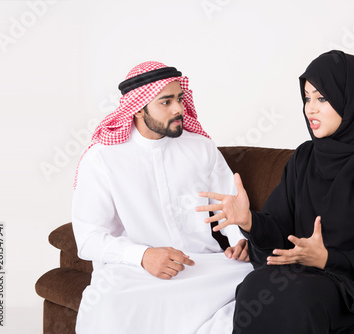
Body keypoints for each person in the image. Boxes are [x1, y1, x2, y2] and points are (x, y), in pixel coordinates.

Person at [197, 50, 354, 333]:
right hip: (306, 274)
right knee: (254, 285)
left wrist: (327, 259)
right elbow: (279, 230)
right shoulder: (305, 157)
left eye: (322, 98)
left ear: (353, 99)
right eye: (307, 98)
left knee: (301, 298)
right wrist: (249, 221)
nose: (310, 109)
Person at [72, 61, 252, 334]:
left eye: (179, 99)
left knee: (262, 281)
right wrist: (143, 256)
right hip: (135, 273)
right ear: (138, 108)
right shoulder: (101, 159)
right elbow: (87, 239)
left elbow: (228, 205)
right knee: (104, 309)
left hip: (205, 268)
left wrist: (239, 239)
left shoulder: (200, 148)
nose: (179, 109)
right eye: (165, 102)